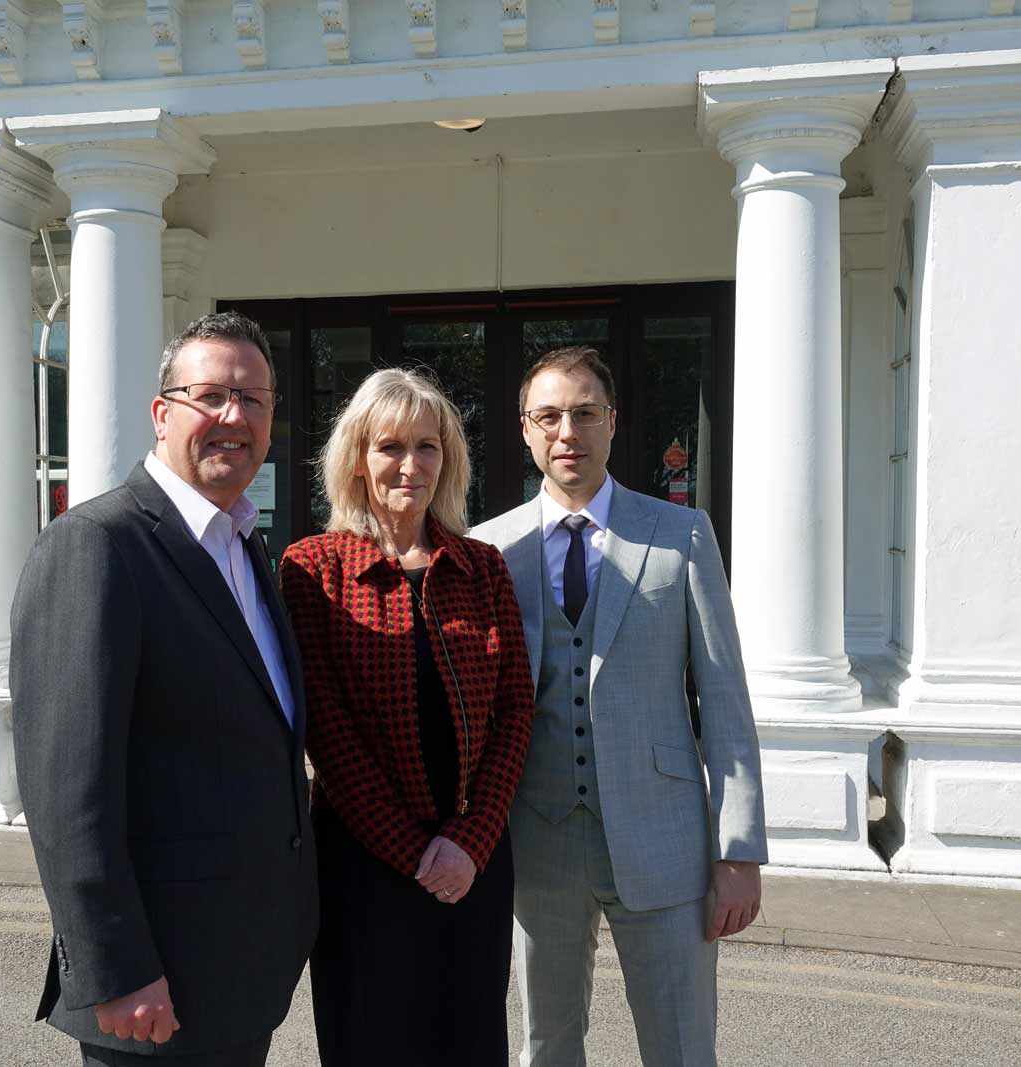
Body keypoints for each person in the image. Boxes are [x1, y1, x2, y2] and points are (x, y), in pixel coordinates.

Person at [10, 312, 316, 1067]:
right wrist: (116, 966)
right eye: (210, 395)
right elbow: (67, 791)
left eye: (253, 400)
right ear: (162, 413)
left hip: (240, 974)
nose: (233, 417)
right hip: (152, 990)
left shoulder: (247, 549)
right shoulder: (98, 545)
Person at [471, 346, 767, 1067]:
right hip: (539, 838)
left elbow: (724, 698)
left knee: (681, 1042)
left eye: (583, 413)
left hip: (663, 836)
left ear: (612, 422)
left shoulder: (681, 534)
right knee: (546, 1043)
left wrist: (739, 849)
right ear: (525, 430)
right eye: (549, 415)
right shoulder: (488, 549)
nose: (566, 430)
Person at [278, 368, 535, 1067]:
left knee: (471, 1041)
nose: (411, 465)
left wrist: (470, 842)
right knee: (373, 1042)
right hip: (364, 869)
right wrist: (412, 849)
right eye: (391, 446)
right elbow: (324, 729)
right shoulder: (312, 568)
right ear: (357, 458)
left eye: (428, 446)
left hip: (472, 864)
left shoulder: (481, 567)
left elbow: (516, 708)